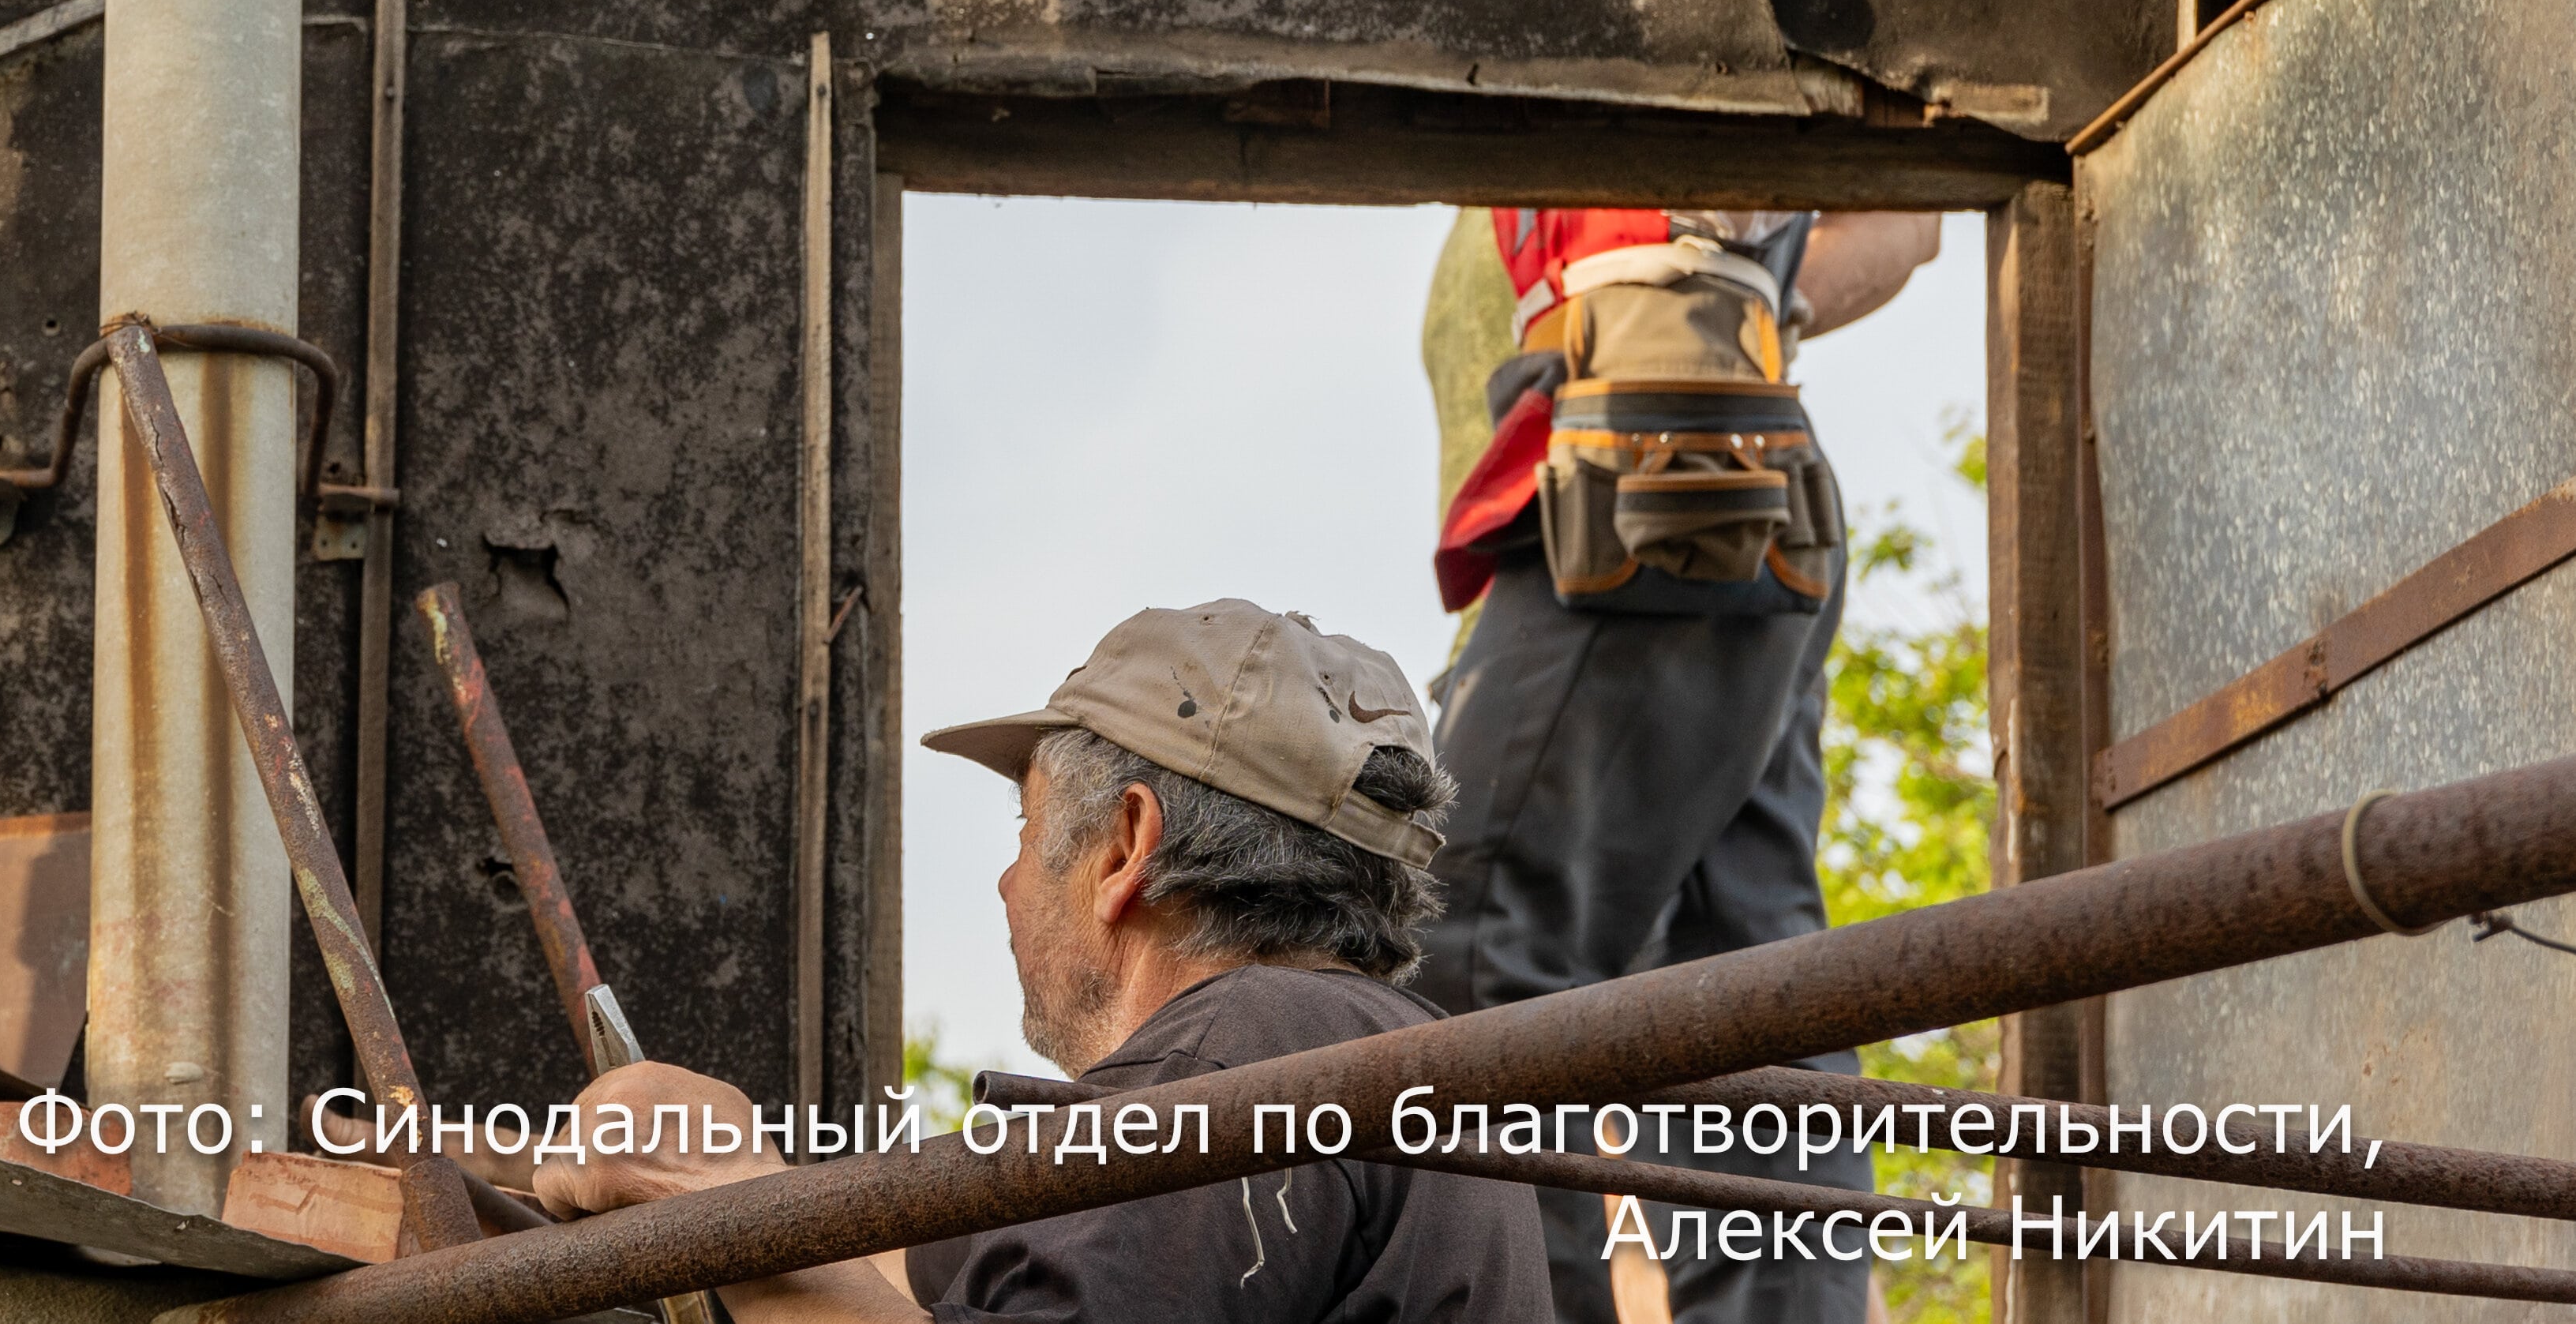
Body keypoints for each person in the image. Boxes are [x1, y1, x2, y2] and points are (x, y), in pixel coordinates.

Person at [542, 600, 1550, 1323]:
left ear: (1124, 848)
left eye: (1027, 828)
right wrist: (755, 1182)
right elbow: (937, 1273)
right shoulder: (1394, 1067)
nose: (1007, 885)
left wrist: (728, 1215)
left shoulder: (1244, 1053)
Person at [1408, 208, 1942, 1324]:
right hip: (1699, 502)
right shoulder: (1514, 186)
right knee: (1735, 986)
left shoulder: (1615, 88)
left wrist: (1741, 279)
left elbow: (1903, 216)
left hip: (1652, 493)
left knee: (1456, 952)